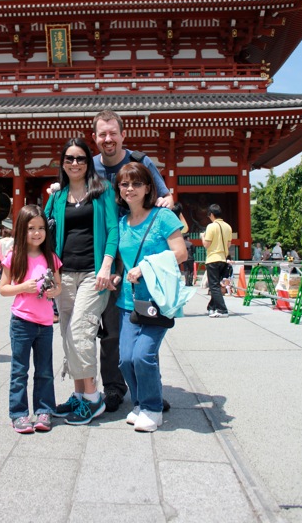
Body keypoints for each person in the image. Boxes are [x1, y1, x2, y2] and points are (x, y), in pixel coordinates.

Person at [92, 109, 174, 412]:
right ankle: (113, 387)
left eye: (113, 132)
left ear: (122, 135)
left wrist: (167, 202)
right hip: (104, 260)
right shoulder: (89, 168)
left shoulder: (141, 163)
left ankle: (149, 389)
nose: (108, 138)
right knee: (112, 330)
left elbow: (164, 197)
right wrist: (58, 188)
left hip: (137, 261)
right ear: (95, 138)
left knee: (145, 326)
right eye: (102, 134)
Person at [45, 138, 118, 425]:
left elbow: (112, 229)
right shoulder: (57, 197)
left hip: (93, 273)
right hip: (64, 274)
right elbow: (44, 233)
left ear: (89, 162)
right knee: (67, 333)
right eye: (69, 159)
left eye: (81, 159)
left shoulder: (102, 191)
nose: (75, 164)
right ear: (62, 163)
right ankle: (77, 395)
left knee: (80, 331)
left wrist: (107, 264)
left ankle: (93, 397)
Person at [115, 163, 187, 432]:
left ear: (148, 188)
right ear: (119, 189)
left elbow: (181, 253)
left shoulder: (164, 217)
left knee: (143, 355)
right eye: (124, 184)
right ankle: (139, 403)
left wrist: (144, 267)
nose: (130, 189)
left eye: (136, 184)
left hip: (158, 300)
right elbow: (125, 261)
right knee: (124, 359)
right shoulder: (122, 223)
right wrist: (117, 275)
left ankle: (153, 408)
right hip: (127, 300)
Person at [0, 204, 62, 434]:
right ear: (21, 230)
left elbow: (58, 286)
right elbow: (3, 288)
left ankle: (44, 410)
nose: (37, 233)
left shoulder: (51, 257)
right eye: (31, 228)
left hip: (45, 323)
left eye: (41, 228)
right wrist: (23, 287)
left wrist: (53, 291)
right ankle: (18, 413)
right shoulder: (14, 256)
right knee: (19, 370)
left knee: (45, 370)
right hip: (21, 321)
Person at [201, 204, 233, 318]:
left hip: (213, 258)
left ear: (212, 215)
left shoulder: (211, 226)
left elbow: (206, 244)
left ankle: (222, 309)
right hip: (223, 258)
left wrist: (202, 237)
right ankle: (211, 307)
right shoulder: (228, 227)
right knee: (217, 286)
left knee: (213, 286)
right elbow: (229, 244)